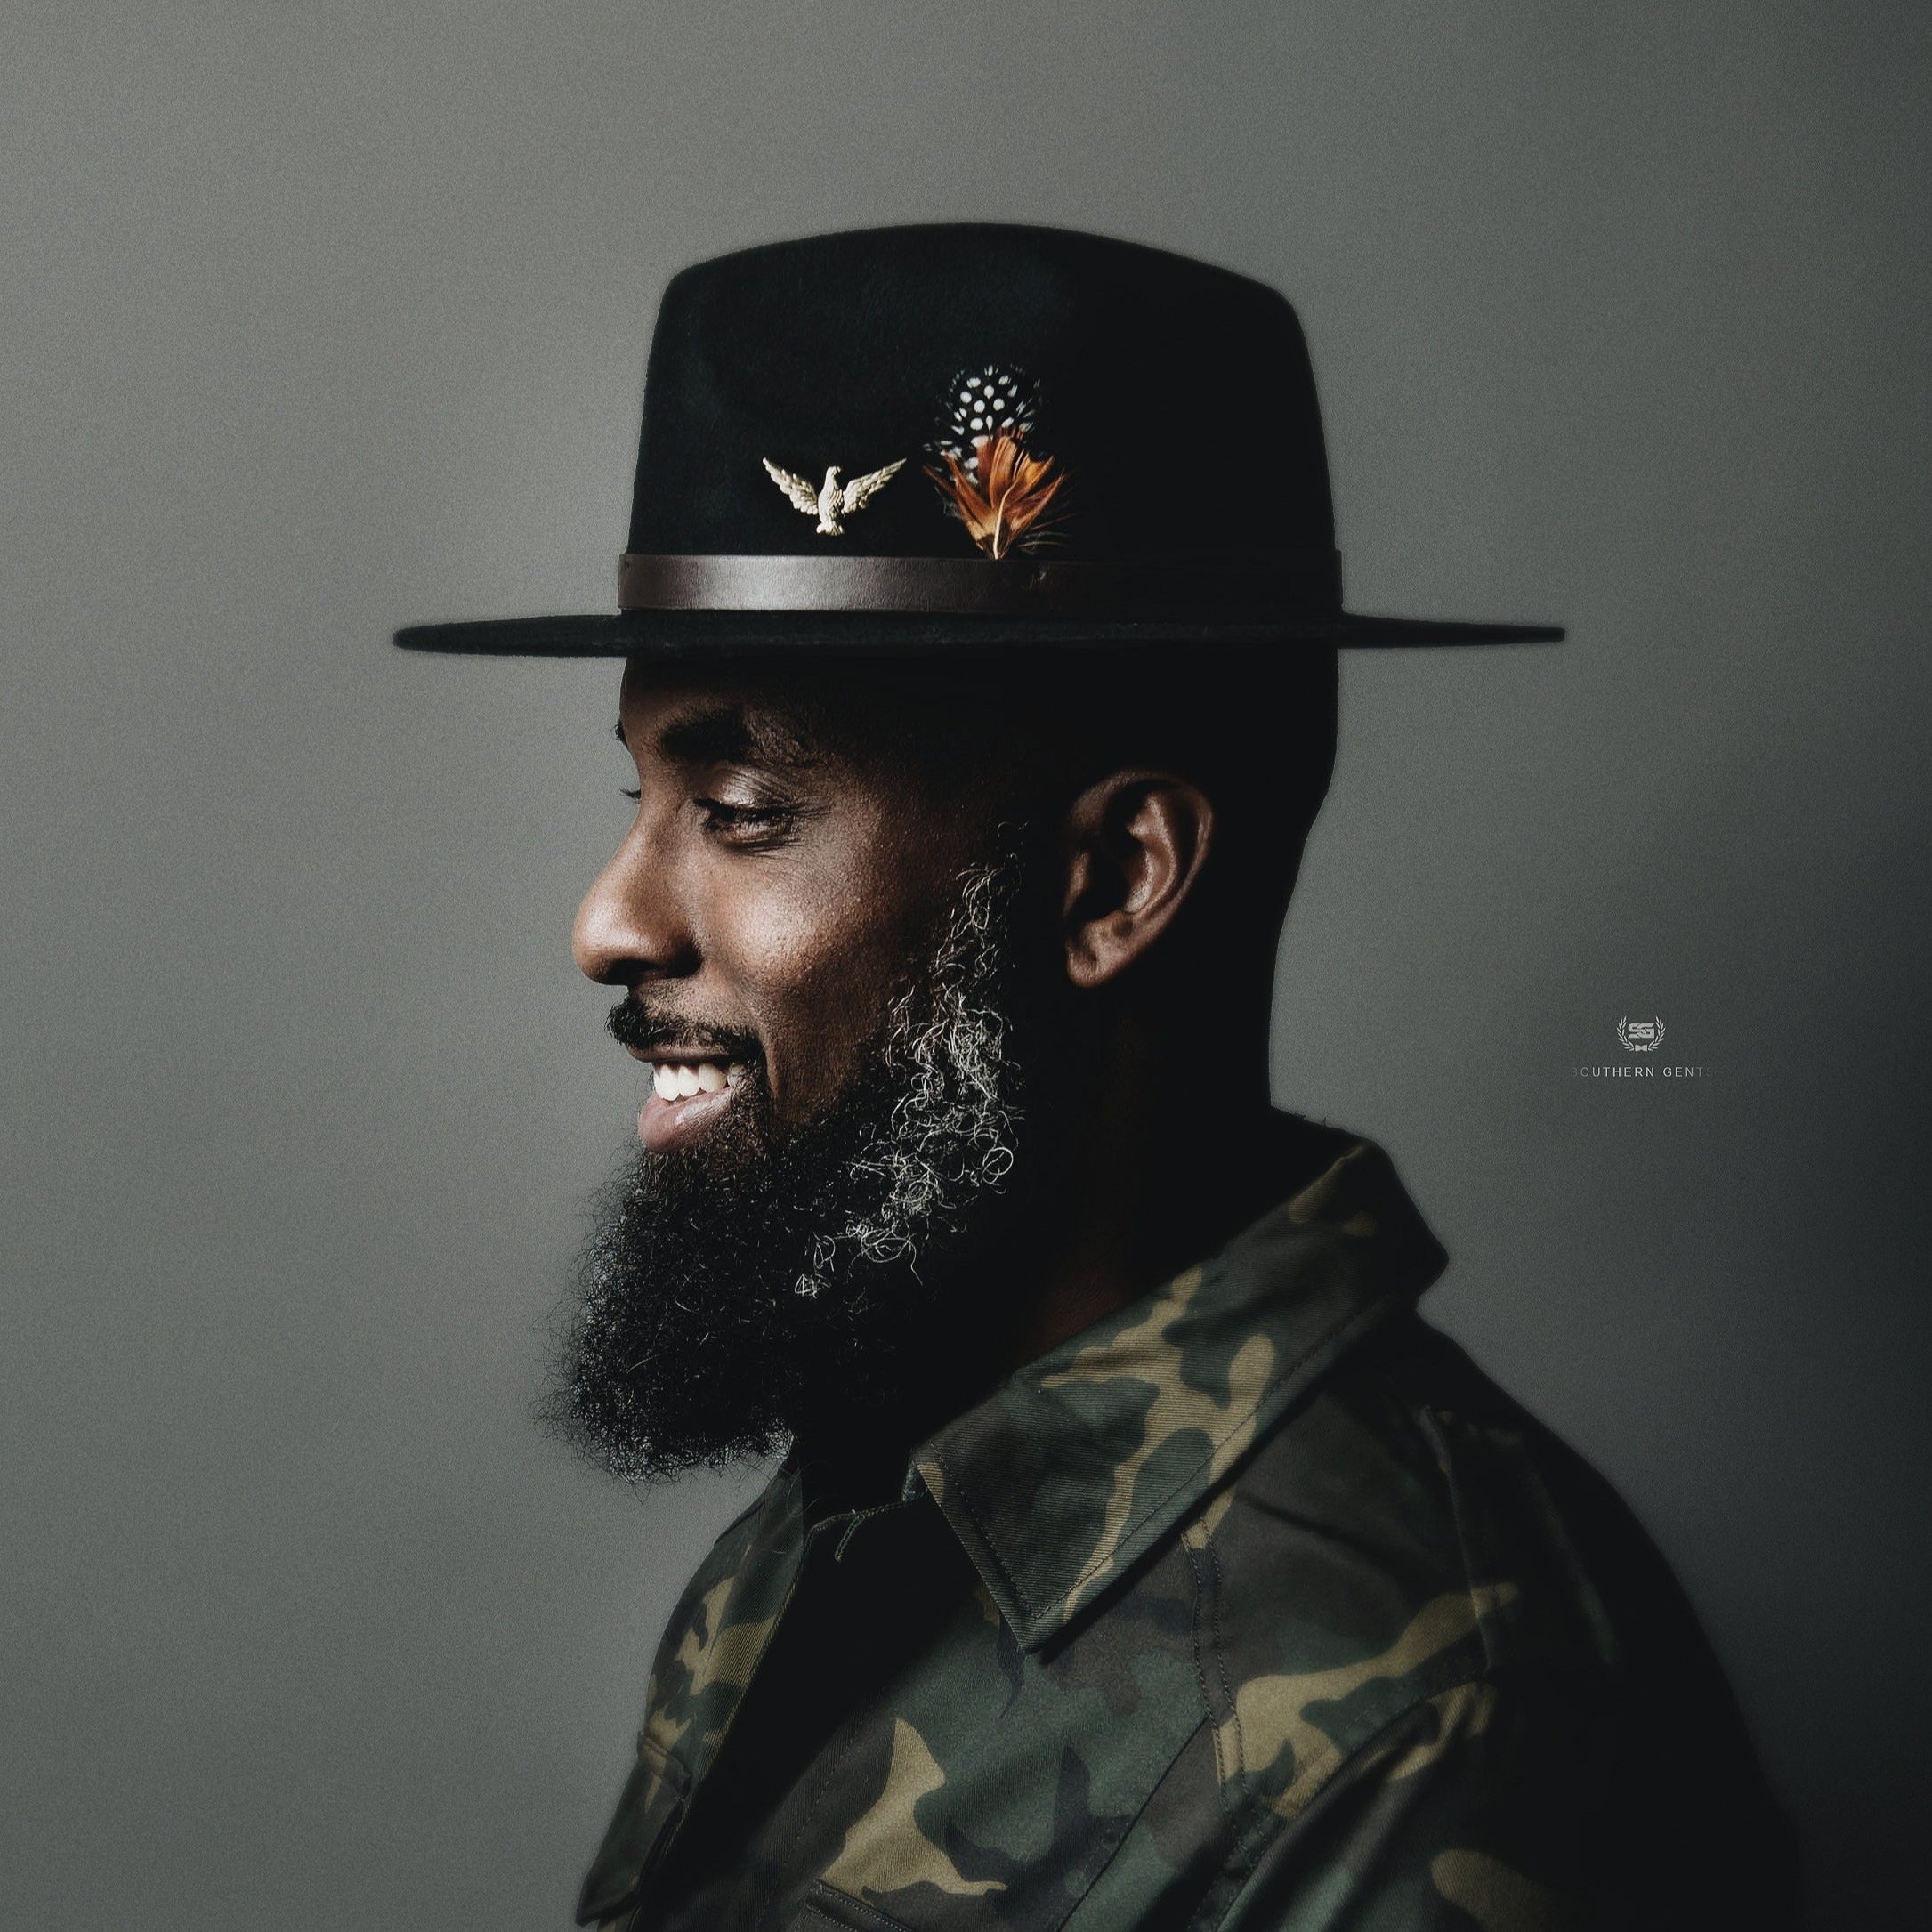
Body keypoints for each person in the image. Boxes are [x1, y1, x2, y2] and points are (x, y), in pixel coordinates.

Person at [396, 224, 1799, 1930]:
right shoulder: (865, 1512)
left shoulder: (1436, 1723)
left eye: (743, 813)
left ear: (1115, 882)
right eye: (641, 798)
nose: (607, 922)